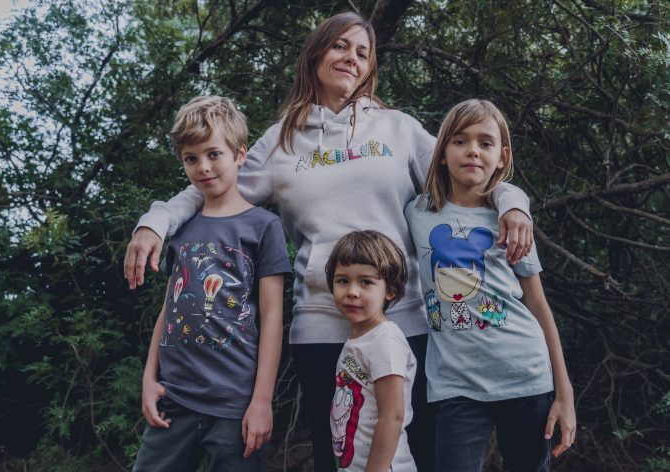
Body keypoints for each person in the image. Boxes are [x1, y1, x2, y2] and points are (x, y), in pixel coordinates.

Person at [123, 13, 534, 471]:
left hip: (402, 322)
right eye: (340, 46)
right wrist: (155, 222)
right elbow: (214, 185)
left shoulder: (398, 129)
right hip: (321, 326)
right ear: (316, 53)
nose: (351, 58)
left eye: (362, 52)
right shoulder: (281, 139)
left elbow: (468, 172)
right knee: (336, 454)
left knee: (412, 453)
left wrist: (513, 203)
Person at [405, 99, 576, 471]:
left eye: (485, 143)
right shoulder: (416, 212)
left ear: (502, 156)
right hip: (454, 385)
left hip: (526, 376)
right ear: (442, 152)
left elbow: (537, 304)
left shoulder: (511, 221)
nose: (473, 151)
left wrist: (564, 392)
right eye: (460, 141)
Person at [133, 96, 291, 472]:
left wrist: (261, 401)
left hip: (235, 406)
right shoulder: (181, 229)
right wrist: (149, 379)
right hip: (174, 400)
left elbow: (272, 318)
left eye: (214, 154)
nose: (203, 167)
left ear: (240, 154)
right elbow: (168, 309)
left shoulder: (263, 227)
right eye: (191, 158)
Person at [325, 231, 417, 471]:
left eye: (365, 282)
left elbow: (392, 417)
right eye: (342, 280)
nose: (352, 291)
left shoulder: (385, 340)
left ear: (390, 290)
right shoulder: (360, 339)